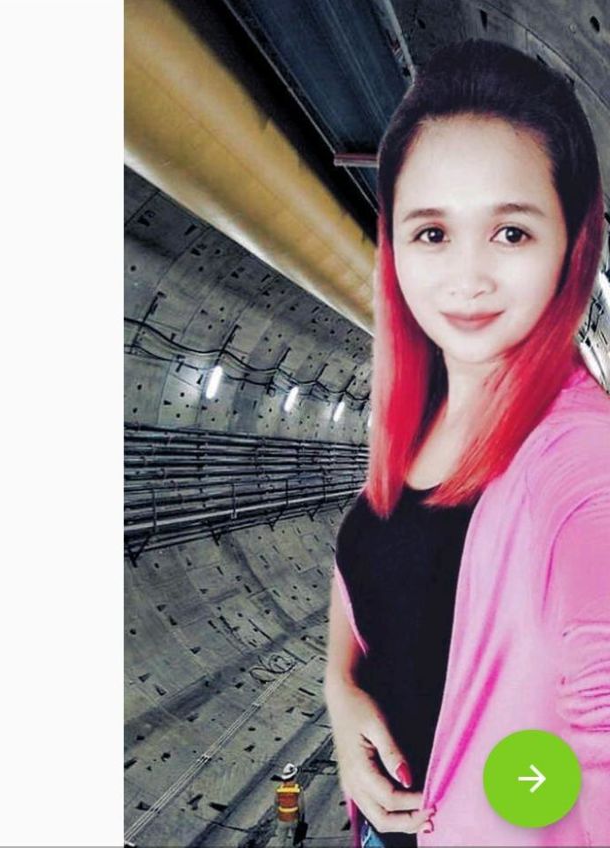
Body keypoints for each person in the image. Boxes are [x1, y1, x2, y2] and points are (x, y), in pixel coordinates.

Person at [324, 38, 609, 847]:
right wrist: (341, 688)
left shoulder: (581, 462)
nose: (467, 278)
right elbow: (372, 556)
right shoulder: (424, 409)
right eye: (432, 233)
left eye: (511, 233)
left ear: (572, 243)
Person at [273, 762, 306, 847]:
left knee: (280, 843)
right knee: (297, 841)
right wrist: (301, 818)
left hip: (282, 819)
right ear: (294, 776)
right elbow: (301, 806)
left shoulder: (279, 789)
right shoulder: (298, 789)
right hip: (294, 818)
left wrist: (277, 815)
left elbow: (276, 803)